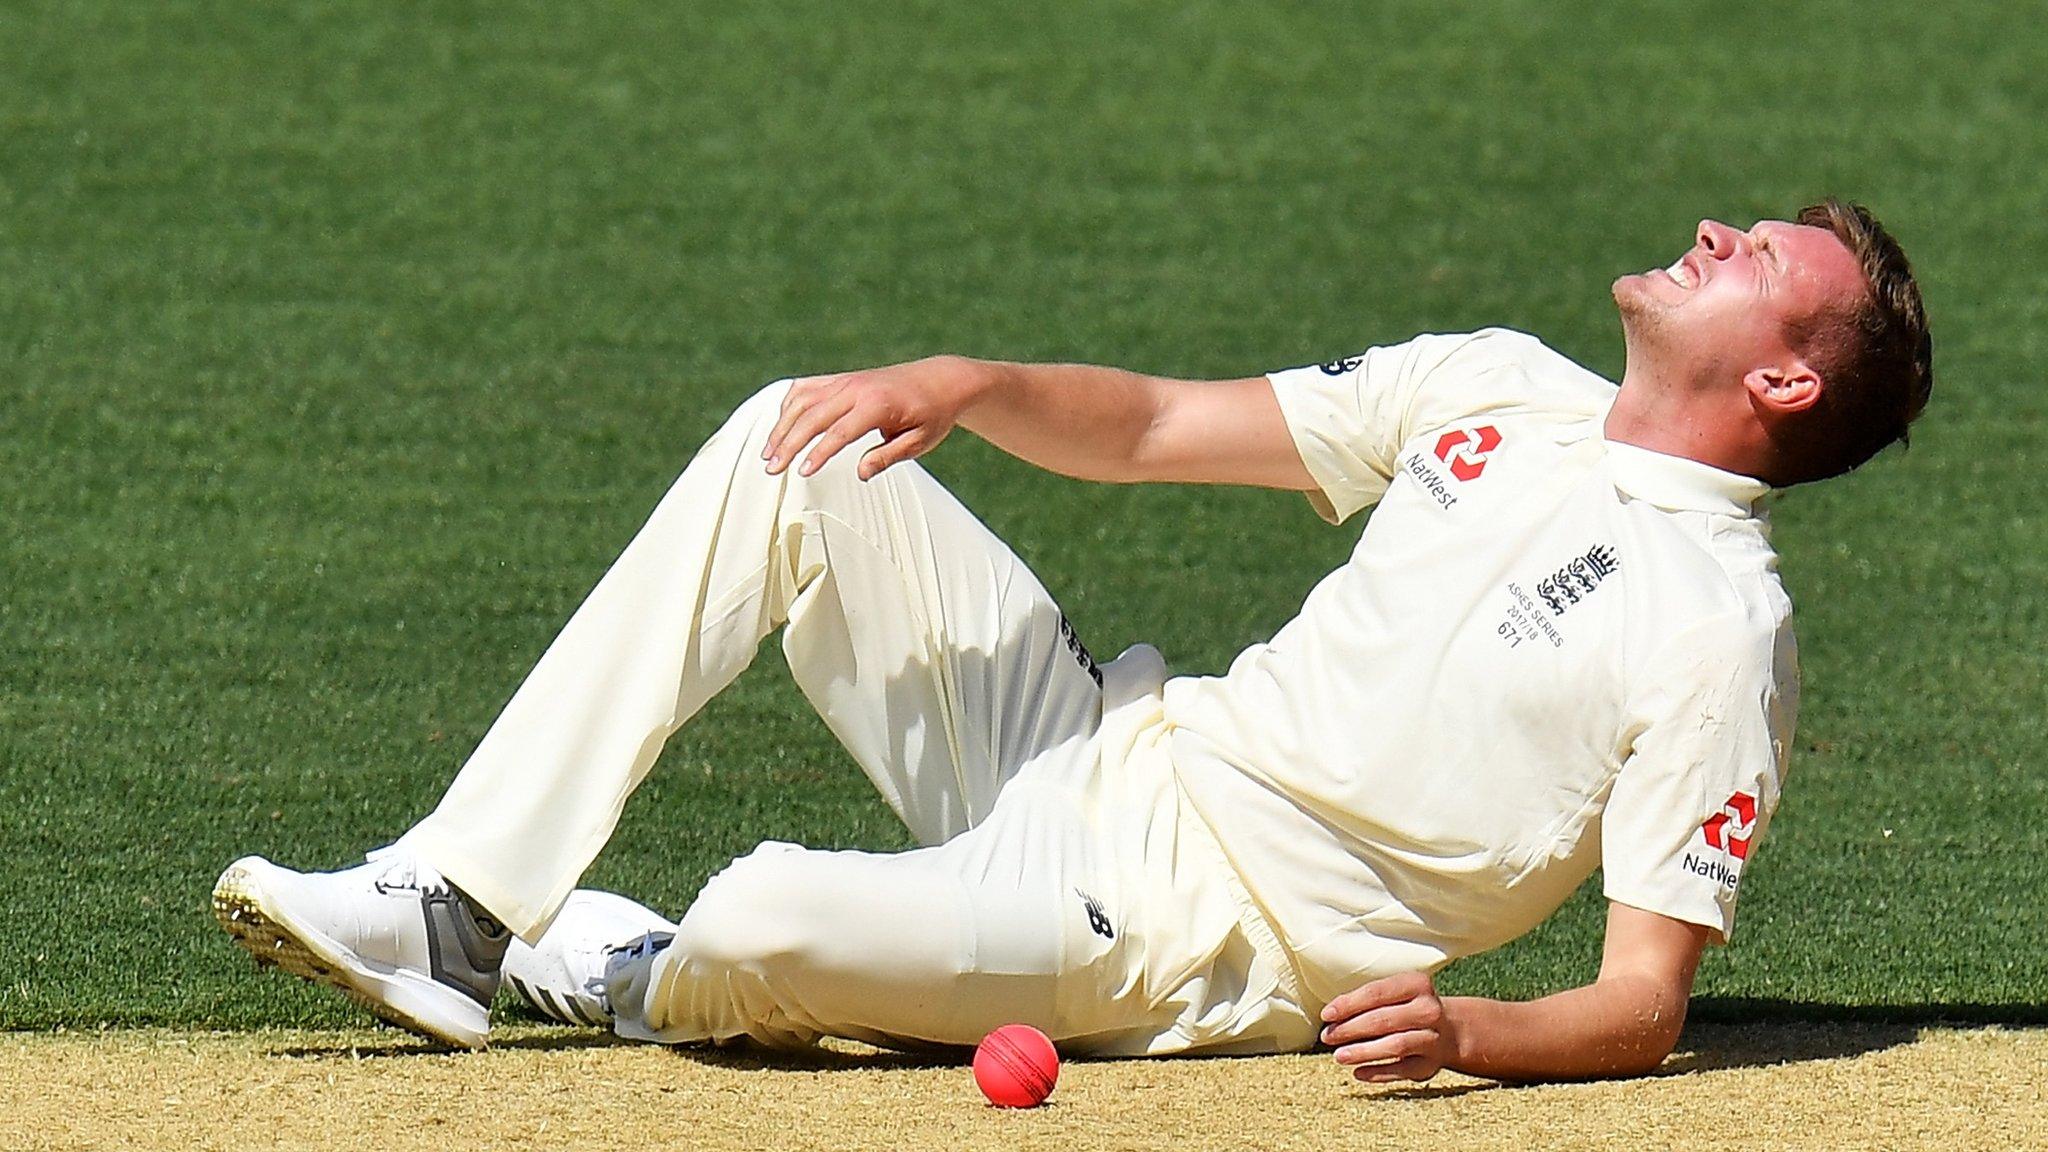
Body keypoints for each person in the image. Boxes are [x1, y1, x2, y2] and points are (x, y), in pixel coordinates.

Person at [214, 198, 1931, 1084]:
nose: (1715, 229)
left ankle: (627, 975)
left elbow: (1644, 1001)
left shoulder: (1724, 631)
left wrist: (1468, 1034)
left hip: (1178, 942)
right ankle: (454, 901)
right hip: (1103, 746)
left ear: (1783, 380)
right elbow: (1162, 430)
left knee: (757, 912)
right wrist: (960, 384)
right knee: (794, 440)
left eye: (1755, 255)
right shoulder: (1496, 382)